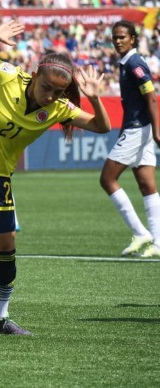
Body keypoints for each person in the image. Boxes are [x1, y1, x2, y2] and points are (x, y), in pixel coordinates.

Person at [0, 20, 110, 334]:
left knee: (6, 250)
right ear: (34, 76)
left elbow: (102, 127)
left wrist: (95, 98)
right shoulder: (6, 75)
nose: (50, 96)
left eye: (58, 91)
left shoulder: (59, 108)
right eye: (47, 87)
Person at [100, 20, 160, 258]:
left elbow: (151, 97)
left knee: (107, 179)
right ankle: (157, 242)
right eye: (115, 37)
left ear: (133, 39)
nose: (117, 41)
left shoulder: (134, 63)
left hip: (139, 129)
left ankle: (140, 232)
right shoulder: (126, 62)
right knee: (147, 185)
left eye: (122, 37)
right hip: (137, 128)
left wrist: (157, 130)